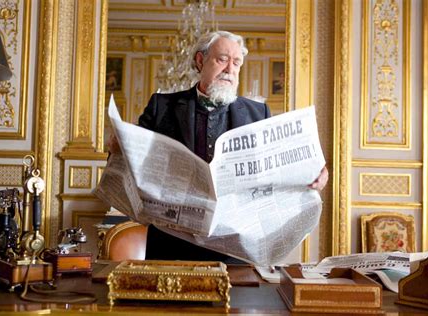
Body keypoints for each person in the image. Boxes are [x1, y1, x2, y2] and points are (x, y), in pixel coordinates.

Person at [108, 30, 329, 262]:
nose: (229, 69)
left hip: (234, 250)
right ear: (200, 61)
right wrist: (117, 148)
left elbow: (277, 174)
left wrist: (314, 174)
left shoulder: (258, 113)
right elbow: (133, 162)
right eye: (222, 59)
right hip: (172, 243)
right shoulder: (161, 106)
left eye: (236, 63)